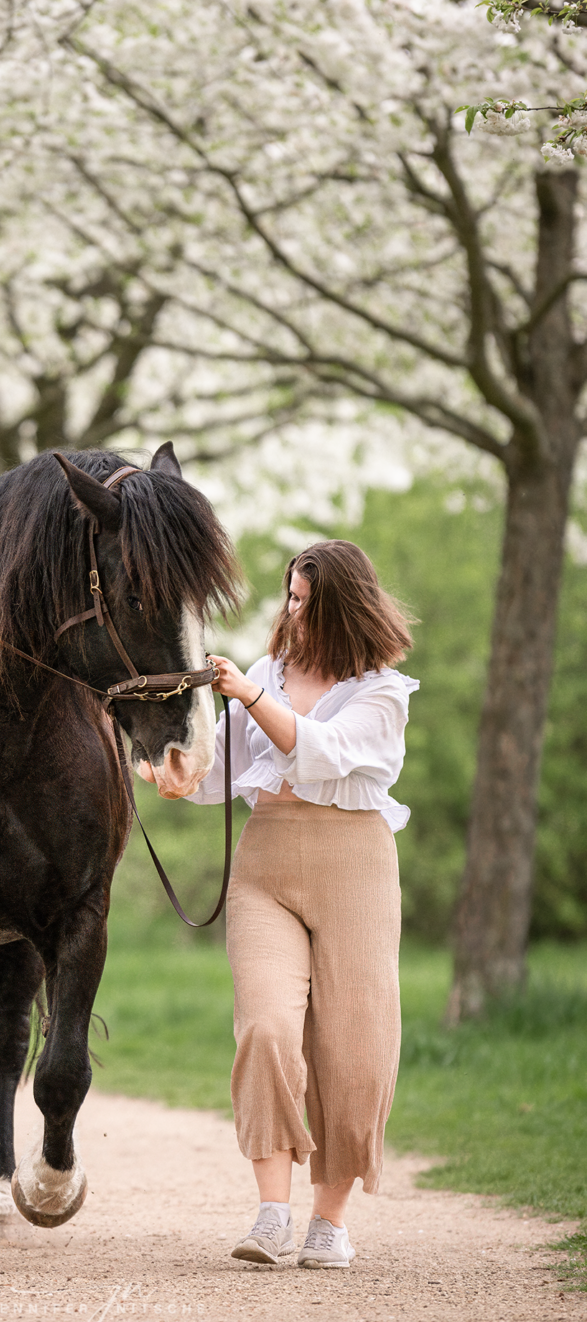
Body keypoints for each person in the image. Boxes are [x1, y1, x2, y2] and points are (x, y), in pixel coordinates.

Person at [173, 539, 416, 1268]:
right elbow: (226, 770)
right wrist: (180, 771)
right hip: (266, 864)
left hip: (356, 866)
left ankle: (329, 1223)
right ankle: (271, 1213)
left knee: (354, 1049)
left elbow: (323, 753)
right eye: (289, 595)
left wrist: (251, 699)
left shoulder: (380, 693)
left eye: (304, 599)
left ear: (340, 605)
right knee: (269, 1029)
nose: (291, 609)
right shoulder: (264, 674)